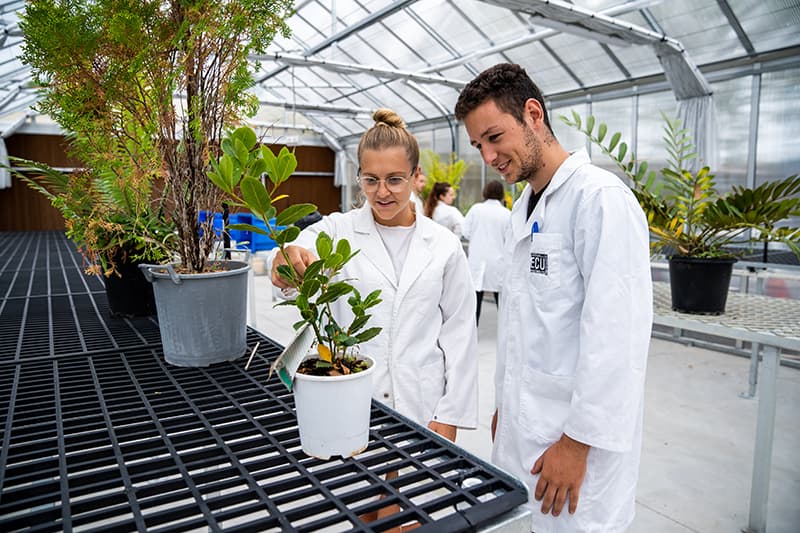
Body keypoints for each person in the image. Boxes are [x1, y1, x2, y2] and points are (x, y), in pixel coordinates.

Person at [454, 63, 653, 532]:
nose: (488, 156)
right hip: (526, 431)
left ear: (533, 113)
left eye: (495, 137)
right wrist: (505, 403)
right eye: (479, 145)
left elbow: (617, 337)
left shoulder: (599, 200)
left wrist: (578, 443)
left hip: (575, 448)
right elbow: (525, 322)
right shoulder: (522, 208)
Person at [271, 108, 478, 443]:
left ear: (415, 176)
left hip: (424, 403)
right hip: (352, 400)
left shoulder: (444, 245)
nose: (382, 192)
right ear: (360, 177)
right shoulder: (339, 230)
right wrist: (284, 259)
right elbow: (297, 249)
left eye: (395, 179)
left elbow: (460, 333)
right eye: (371, 180)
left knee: (420, 491)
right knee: (362, 491)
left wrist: (452, 413)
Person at [462, 180, 510, 325]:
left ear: (486, 192)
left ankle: (472, 336)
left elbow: (466, 232)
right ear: (502, 194)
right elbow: (509, 240)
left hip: (477, 260)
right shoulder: (506, 214)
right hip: (497, 263)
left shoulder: (476, 209)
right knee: (501, 304)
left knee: (474, 303)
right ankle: (506, 335)